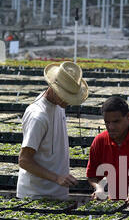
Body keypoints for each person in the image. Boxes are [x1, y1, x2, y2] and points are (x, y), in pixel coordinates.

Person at [17, 61, 89, 200]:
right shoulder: (38, 116)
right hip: (36, 195)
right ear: (54, 88)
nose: (68, 102)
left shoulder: (58, 106)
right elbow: (24, 160)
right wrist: (57, 178)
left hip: (57, 192)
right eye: (65, 96)